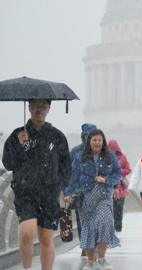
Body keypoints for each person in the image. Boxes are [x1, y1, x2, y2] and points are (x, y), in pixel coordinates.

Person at [2, 99, 71, 270]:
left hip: (49, 193)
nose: (39, 110)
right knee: (27, 233)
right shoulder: (18, 134)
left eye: (43, 106)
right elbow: (8, 163)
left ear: (49, 108)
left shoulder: (57, 136)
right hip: (25, 192)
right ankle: (26, 268)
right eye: (35, 106)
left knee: (46, 237)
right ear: (29, 107)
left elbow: (66, 165)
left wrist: (63, 187)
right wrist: (19, 144)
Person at [64, 129, 121, 270]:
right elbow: (73, 177)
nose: (97, 142)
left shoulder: (110, 156)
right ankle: (90, 262)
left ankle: (102, 259)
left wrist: (106, 179)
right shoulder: (80, 157)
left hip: (104, 196)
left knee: (105, 223)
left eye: (99, 140)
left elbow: (117, 174)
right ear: (89, 142)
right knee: (88, 227)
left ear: (103, 142)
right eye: (94, 140)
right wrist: (68, 193)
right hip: (86, 196)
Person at [70, 123, 97, 260]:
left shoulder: (101, 151)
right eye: (87, 136)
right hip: (80, 191)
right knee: (82, 221)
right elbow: (69, 172)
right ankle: (85, 247)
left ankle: (94, 247)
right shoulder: (75, 152)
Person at [108, 139, 131, 233]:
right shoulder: (106, 158)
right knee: (110, 209)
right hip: (110, 188)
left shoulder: (122, 157)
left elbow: (128, 169)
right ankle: (111, 228)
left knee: (119, 209)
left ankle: (118, 227)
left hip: (121, 188)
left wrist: (119, 171)